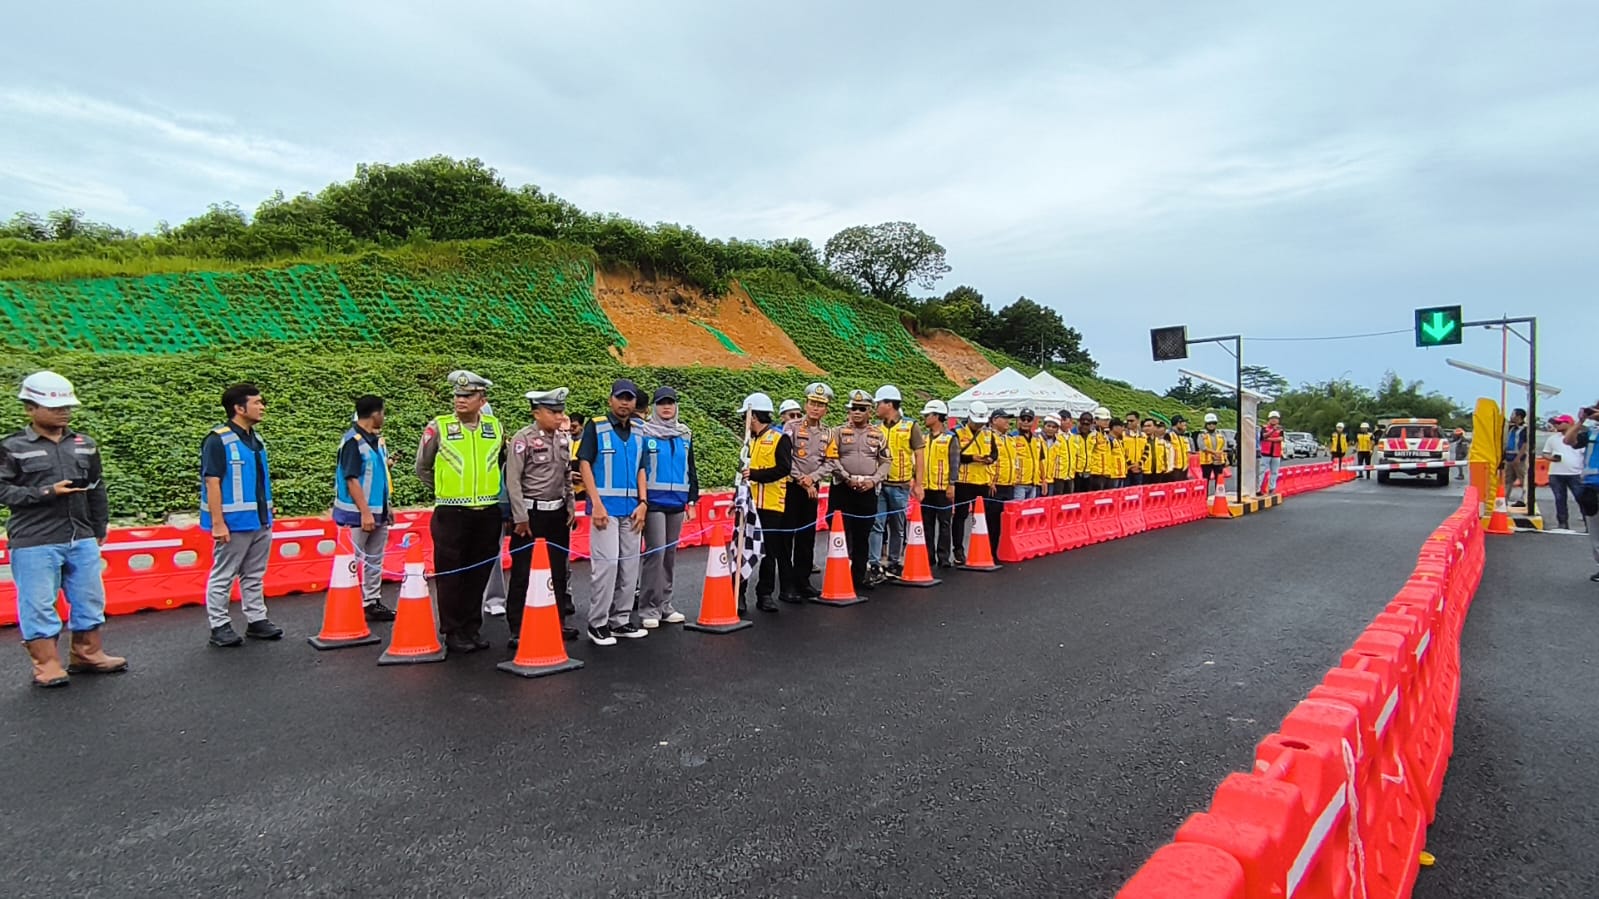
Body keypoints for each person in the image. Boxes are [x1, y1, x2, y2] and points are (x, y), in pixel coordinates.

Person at [1, 371, 127, 687]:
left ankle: (87, 654)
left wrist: (99, 525)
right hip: (34, 539)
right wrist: (46, 492)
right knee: (39, 601)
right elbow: (2, 491)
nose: (63, 412)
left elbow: (97, 487)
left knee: (89, 597)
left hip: (81, 534)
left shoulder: (85, 444)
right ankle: (46, 665)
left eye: (67, 406)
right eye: (54, 406)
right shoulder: (12, 447)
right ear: (30, 407)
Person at [415, 371, 505, 653]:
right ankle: (452, 631)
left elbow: (501, 464)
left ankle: (471, 627)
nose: (460, 400)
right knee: (451, 575)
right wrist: (446, 491)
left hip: (487, 511)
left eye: (467, 396)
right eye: (457, 395)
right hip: (452, 513)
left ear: (482, 400)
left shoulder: (495, 427)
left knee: (478, 573)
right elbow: (423, 468)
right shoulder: (439, 427)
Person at [200, 382, 282, 647]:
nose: (262, 407)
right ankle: (219, 625)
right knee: (224, 574)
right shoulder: (218, 439)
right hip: (233, 523)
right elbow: (212, 481)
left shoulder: (256, 439)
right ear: (238, 408)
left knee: (254, 573)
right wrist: (218, 523)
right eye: (257, 402)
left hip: (259, 518)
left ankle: (257, 619)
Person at [504, 388, 580, 647]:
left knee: (558, 571)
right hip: (531, 515)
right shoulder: (522, 439)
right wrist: (520, 516)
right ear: (537, 413)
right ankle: (518, 626)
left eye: (561, 411)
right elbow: (513, 480)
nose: (559, 417)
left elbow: (567, 475)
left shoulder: (562, 439)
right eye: (553, 412)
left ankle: (556, 621)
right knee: (523, 571)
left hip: (557, 513)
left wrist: (570, 505)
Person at [577, 379, 651, 644]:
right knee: (606, 566)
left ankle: (620, 620)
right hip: (604, 511)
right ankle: (598, 623)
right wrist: (595, 502)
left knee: (629, 567)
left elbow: (642, 468)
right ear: (611, 400)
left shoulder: (641, 431)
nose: (624, 403)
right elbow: (584, 463)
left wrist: (644, 503)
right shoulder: (596, 427)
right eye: (620, 398)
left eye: (629, 399)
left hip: (632, 511)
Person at [637, 386, 699, 626]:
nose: (666, 407)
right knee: (656, 552)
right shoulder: (644, 432)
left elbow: (690, 468)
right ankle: (648, 607)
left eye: (670, 403)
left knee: (670, 555)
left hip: (677, 501)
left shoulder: (684, 433)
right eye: (662, 403)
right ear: (654, 406)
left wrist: (691, 500)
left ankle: (665, 604)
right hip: (653, 501)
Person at [332, 394, 396, 622]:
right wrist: (365, 512)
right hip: (357, 514)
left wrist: (385, 509)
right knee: (352, 559)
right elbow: (352, 479)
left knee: (374, 558)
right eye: (383, 413)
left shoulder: (374, 441)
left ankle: (371, 601)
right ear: (376, 414)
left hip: (378, 511)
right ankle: (345, 605)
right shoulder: (353, 441)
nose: (384, 417)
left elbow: (377, 476)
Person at [822, 390, 888, 591]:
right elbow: (831, 459)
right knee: (840, 533)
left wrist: (874, 480)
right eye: (853, 408)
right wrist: (847, 477)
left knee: (862, 534)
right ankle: (837, 575)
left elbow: (886, 461)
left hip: (867, 489)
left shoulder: (879, 434)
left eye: (862, 409)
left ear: (869, 411)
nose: (857, 412)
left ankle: (858, 577)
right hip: (843, 488)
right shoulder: (837, 432)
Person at [740, 393, 793, 612]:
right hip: (748, 504)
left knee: (768, 553)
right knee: (743, 551)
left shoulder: (780, 438)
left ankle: (765, 594)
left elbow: (784, 469)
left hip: (772, 504)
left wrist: (755, 474)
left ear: (754, 417)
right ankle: (738, 595)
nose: (744, 421)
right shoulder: (748, 441)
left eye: (746, 416)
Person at [869, 384, 924, 584]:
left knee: (897, 525)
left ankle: (894, 561)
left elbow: (919, 455)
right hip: (880, 484)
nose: (876, 407)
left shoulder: (910, 426)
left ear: (889, 404)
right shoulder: (876, 428)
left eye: (879, 403)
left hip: (900, 485)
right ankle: (874, 563)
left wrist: (919, 484)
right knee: (877, 523)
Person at [784, 382, 834, 600]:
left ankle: (803, 582)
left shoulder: (828, 433)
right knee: (786, 538)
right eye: (812, 403)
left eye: (820, 405)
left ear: (826, 409)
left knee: (807, 537)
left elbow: (830, 463)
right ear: (806, 404)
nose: (815, 408)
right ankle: (786, 586)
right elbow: (786, 458)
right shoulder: (791, 428)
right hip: (793, 487)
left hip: (813, 489)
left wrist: (812, 479)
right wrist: (803, 480)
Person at [951, 401, 997, 566]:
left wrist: (990, 459)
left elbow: (994, 452)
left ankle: (981, 548)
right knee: (961, 516)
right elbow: (954, 455)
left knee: (981, 518)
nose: (979, 425)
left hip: (982, 481)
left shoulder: (988, 434)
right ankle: (958, 550)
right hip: (963, 481)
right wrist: (972, 458)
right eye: (976, 421)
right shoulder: (956, 432)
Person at [921, 400, 960, 567]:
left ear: (937, 416)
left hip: (943, 487)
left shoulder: (950, 438)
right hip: (926, 488)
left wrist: (952, 484)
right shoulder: (923, 438)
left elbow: (954, 462)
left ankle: (944, 556)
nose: (924, 418)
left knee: (944, 523)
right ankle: (929, 556)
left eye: (927, 415)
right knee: (927, 524)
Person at [1562, 403, 1599, 578]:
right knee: (1595, 529)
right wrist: (1580, 421)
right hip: (1592, 485)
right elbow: (1568, 440)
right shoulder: (1592, 433)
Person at [1541, 416, 1583, 532]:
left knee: (1581, 498)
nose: (1557, 425)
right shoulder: (1553, 439)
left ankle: (1588, 523)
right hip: (1556, 473)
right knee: (1559, 499)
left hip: (1575, 473)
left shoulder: (1579, 438)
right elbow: (1545, 453)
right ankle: (1562, 523)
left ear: (1569, 423)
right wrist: (1551, 458)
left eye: (1560, 423)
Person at [985, 409, 1017, 554]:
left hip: (1009, 484)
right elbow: (986, 460)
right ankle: (989, 552)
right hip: (995, 485)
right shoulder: (988, 437)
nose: (1007, 422)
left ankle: (1000, 550)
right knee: (992, 522)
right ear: (994, 420)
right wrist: (990, 480)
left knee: (1006, 523)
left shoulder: (1010, 439)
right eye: (1004, 418)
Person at [1012, 409, 1043, 500]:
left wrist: (1043, 479)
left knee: (1029, 512)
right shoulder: (1012, 437)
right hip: (1018, 483)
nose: (1025, 422)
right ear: (1019, 420)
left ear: (1033, 422)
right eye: (1023, 419)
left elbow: (1041, 460)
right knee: (1018, 510)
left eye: (1028, 420)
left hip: (1033, 482)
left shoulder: (1037, 439)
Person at [1198, 413, 1229, 496]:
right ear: (1206, 424)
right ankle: (1204, 496)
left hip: (1219, 460)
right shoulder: (1202, 434)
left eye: (1213, 423)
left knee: (1219, 479)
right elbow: (1202, 447)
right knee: (1206, 480)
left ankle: (1219, 496)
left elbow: (1224, 447)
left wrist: (1226, 459)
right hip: (1206, 461)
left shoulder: (1221, 434)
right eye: (1209, 424)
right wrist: (1214, 453)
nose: (1211, 425)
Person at [1504, 408, 1529, 507]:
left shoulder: (1525, 429)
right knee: (1508, 480)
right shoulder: (1511, 428)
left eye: (1513, 414)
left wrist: (1518, 457)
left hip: (1519, 457)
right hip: (1509, 456)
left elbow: (1525, 444)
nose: (1511, 416)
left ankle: (1524, 499)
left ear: (1519, 416)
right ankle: (1504, 499)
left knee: (1523, 479)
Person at [1040, 414, 1069, 495]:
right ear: (1044, 426)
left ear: (1057, 429)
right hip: (1038, 481)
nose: (1050, 429)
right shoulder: (1037, 440)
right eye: (1048, 426)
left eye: (1054, 427)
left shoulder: (1058, 442)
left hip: (1052, 480)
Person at [1259, 410, 1286, 494]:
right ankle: (1258, 487)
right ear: (1269, 419)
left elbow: (1281, 439)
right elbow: (1263, 436)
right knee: (1262, 471)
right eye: (1272, 418)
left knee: (1274, 472)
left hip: (1276, 453)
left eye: (1276, 418)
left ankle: (1272, 488)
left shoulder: (1280, 429)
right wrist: (1272, 431)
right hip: (1265, 453)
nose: (1274, 420)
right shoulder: (1264, 427)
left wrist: (1270, 439)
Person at [1071, 412, 1094, 493]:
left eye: (1087, 424)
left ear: (1091, 424)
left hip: (1089, 471)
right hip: (1076, 472)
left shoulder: (1093, 436)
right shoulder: (1073, 435)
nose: (1084, 426)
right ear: (1079, 422)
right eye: (1083, 424)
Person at [1169, 415, 1192, 482]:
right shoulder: (1169, 435)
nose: (1185, 425)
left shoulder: (1184, 437)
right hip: (1174, 468)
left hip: (1184, 467)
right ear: (1178, 423)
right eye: (1183, 423)